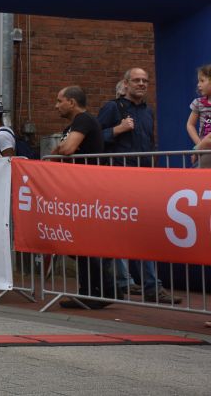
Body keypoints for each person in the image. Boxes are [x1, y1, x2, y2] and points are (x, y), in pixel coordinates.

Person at [98, 68, 177, 303]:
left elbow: (149, 143)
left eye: (145, 81)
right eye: (136, 80)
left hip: (142, 178)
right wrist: (117, 130)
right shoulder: (112, 108)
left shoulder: (147, 111)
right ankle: (116, 284)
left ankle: (149, 287)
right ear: (125, 84)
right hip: (118, 178)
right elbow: (95, 137)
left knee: (142, 231)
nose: (141, 84)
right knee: (117, 232)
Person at [51, 86, 114, 309]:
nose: (56, 106)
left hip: (87, 191)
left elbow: (67, 148)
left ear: (71, 102)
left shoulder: (84, 120)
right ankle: (90, 290)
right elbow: (60, 151)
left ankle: (101, 290)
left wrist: (59, 149)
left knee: (81, 243)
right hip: (76, 190)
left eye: (59, 101)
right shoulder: (73, 125)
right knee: (74, 243)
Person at [187, 63, 211, 169]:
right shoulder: (198, 103)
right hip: (204, 149)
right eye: (198, 81)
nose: (198, 84)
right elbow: (190, 125)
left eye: (202, 80)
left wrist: (198, 147)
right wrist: (199, 143)